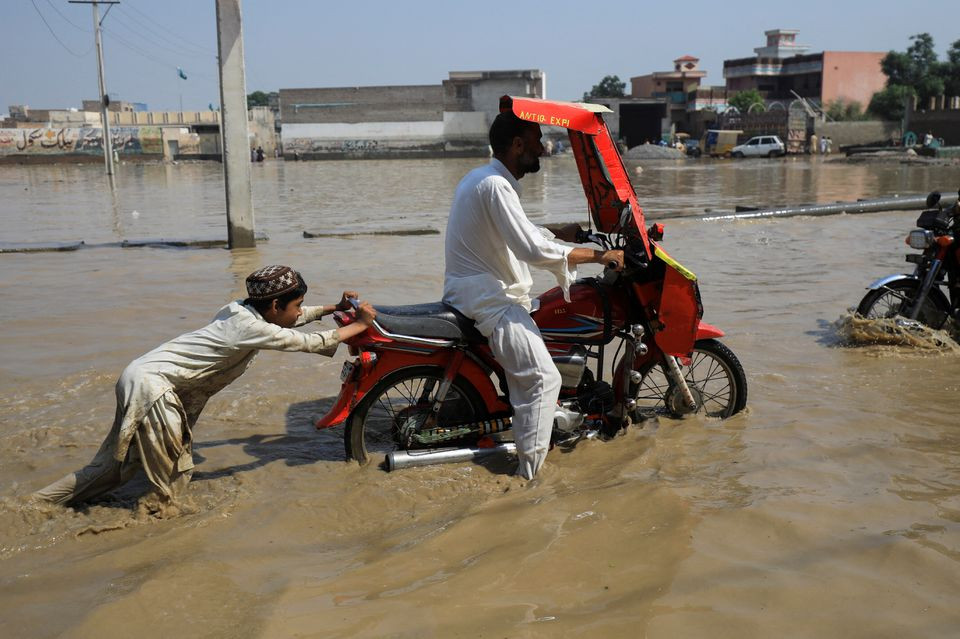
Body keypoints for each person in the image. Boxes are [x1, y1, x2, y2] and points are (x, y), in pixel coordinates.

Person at [33, 266, 376, 506]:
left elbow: (289, 319)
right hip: (154, 389)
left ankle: (39, 504)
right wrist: (360, 324)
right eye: (298, 303)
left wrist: (334, 307)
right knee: (175, 472)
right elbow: (310, 342)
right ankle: (162, 526)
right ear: (273, 306)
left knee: (117, 465)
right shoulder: (253, 328)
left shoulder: (238, 310)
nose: (301, 309)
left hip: (139, 376)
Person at [443, 111, 623, 480]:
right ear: (517, 144)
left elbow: (521, 231)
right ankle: (530, 476)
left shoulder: (488, 179)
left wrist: (563, 232)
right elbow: (531, 250)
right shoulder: (496, 185)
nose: (543, 148)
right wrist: (601, 257)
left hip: (478, 291)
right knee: (545, 380)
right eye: (537, 140)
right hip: (489, 299)